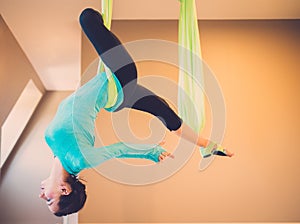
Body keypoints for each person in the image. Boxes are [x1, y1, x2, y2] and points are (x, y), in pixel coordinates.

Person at [39, 8, 233, 217]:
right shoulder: (79, 160)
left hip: (115, 98)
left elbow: (73, 109)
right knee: (87, 18)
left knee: (168, 116)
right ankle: (206, 145)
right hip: (119, 79)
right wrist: (151, 152)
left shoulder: (58, 153)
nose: (42, 196)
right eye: (50, 200)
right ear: (64, 190)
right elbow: (118, 150)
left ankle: (206, 146)